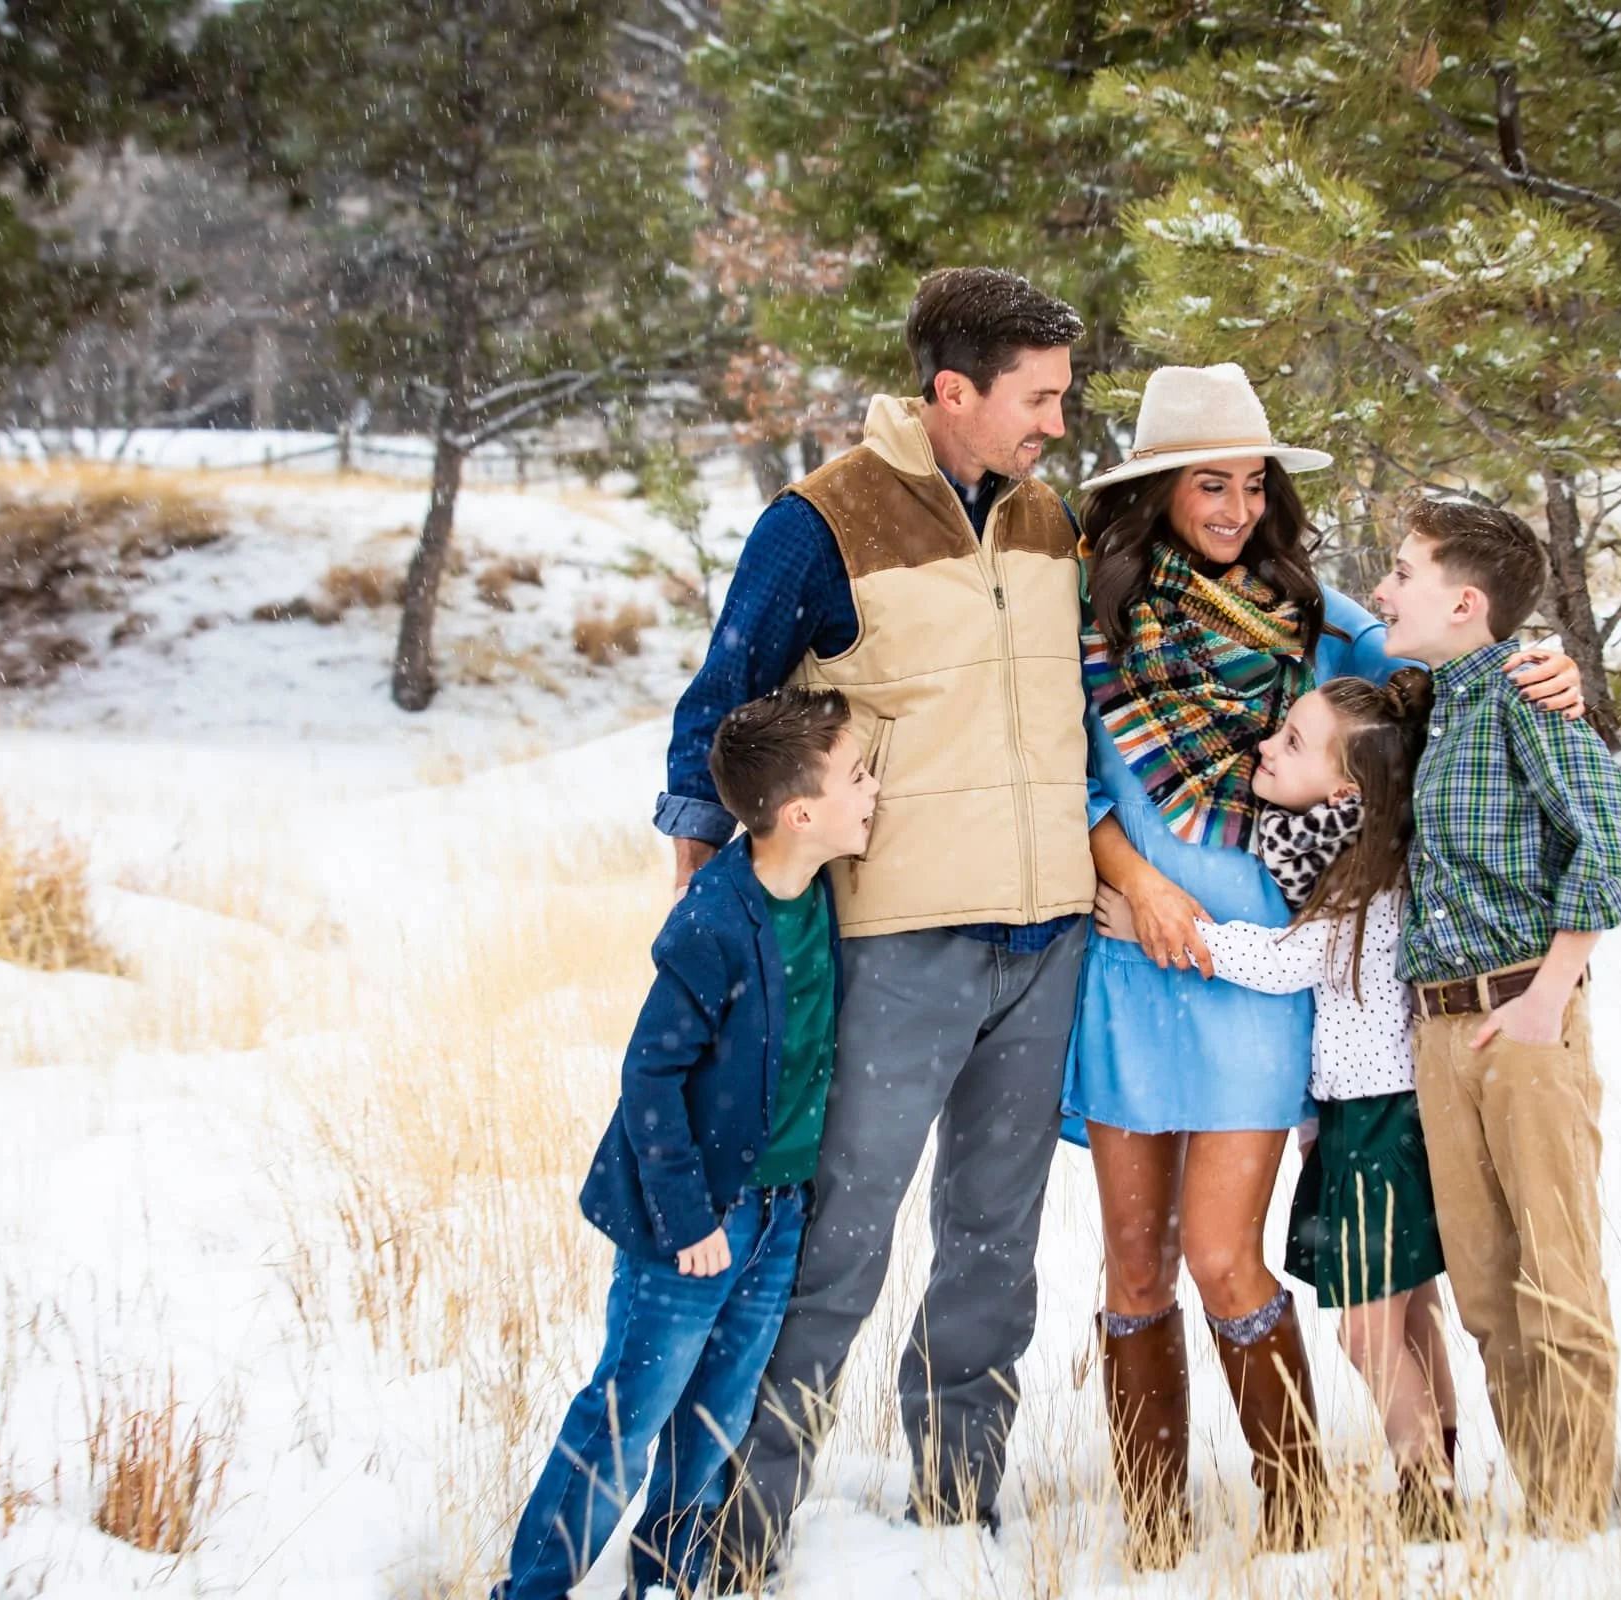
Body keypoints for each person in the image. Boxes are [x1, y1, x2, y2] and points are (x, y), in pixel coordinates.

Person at [1068, 364, 1582, 1567]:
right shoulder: (1091, 621)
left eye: (1254, 483)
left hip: (1265, 980)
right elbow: (1080, 782)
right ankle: (1154, 1533)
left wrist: (1536, 664)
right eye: (1211, 482)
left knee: (1223, 1253)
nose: (1238, 506)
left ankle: (1296, 1516)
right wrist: (1138, 885)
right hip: (1134, 968)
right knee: (1132, 1263)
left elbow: (1438, 664)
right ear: (1154, 490)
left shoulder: (1315, 615)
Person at [676, 269, 1096, 1572]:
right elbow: (718, 718)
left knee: (993, 1249)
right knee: (832, 1245)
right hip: (894, 938)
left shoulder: (1046, 523)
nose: (1059, 426)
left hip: (1046, 938)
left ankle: (959, 1507)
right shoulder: (822, 522)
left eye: (1065, 398)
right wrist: (706, 930)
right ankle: (735, 1532)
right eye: (1040, 399)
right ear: (952, 391)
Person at [493, 687, 876, 1600]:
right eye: (857, 777)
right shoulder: (712, 921)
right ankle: (533, 1588)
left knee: (716, 1415)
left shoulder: (814, 887)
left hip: (778, 1213)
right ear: (800, 813)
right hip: (697, 1220)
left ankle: (664, 1579)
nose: (873, 791)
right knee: (628, 1417)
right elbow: (650, 1078)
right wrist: (686, 1219)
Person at [1101, 670, 1465, 1539]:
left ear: (1345, 790)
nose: (1266, 744)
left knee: (1370, 1332)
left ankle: (1429, 1497)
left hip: (1373, 1123)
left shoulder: (1362, 875)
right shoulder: (1364, 848)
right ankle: (1438, 1475)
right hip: (1382, 1116)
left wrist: (1175, 935)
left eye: (1292, 741)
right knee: (1409, 1310)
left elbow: (1289, 960)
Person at [1371, 494, 1621, 1534]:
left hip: (1524, 1014)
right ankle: (1547, 1502)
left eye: (1401, 572)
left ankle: (1576, 1519)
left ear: (1465, 600)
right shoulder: (1440, 700)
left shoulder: (1528, 696)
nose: (1384, 589)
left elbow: (1605, 844)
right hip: (1441, 1029)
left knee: (1554, 1274)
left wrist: (1549, 994)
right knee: (1485, 1289)